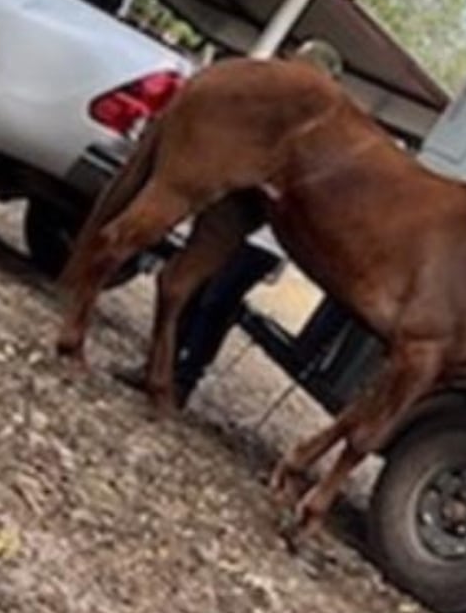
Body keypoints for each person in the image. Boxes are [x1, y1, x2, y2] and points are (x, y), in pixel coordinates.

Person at [135, 39, 346, 408]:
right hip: (237, 212)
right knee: (191, 287)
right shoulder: (278, 105)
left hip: (268, 234)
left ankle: (185, 378)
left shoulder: (325, 125)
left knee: (217, 299)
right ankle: (159, 367)